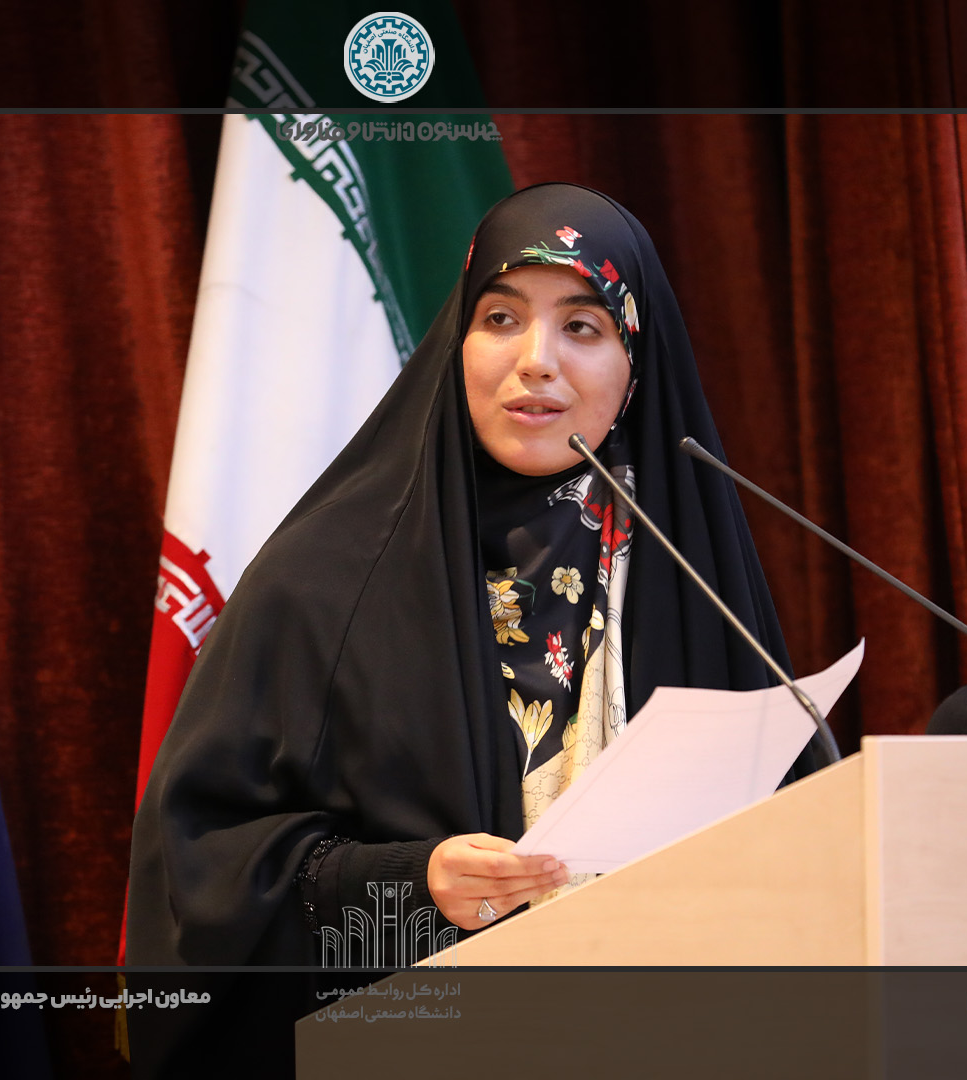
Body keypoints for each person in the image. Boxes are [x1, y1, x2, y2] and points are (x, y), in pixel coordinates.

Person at [123, 183, 822, 1073]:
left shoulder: (687, 563)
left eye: (582, 326)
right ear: (458, 343)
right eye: (501, 318)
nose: (536, 361)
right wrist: (411, 890)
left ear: (635, 364)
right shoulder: (325, 576)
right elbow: (200, 868)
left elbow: (795, 841)